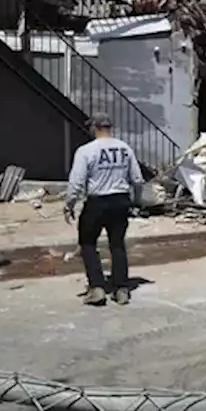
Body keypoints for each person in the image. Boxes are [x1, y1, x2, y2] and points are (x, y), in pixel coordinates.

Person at [64, 114, 144, 306]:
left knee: (88, 242)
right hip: (120, 201)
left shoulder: (86, 151)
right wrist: (136, 201)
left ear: (95, 128)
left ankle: (97, 287)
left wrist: (69, 204)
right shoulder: (125, 148)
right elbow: (138, 179)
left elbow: (76, 182)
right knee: (117, 244)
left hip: (97, 202)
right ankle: (121, 288)